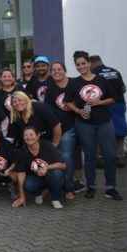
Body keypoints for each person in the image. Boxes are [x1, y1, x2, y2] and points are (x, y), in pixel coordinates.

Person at [65, 50, 122, 200]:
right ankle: (91, 186)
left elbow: (113, 98)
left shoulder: (102, 80)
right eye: (78, 64)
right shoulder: (74, 82)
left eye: (83, 63)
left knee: (110, 155)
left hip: (104, 122)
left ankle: (111, 188)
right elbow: (68, 102)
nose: (81, 66)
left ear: (89, 63)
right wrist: (78, 111)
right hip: (84, 124)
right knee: (90, 156)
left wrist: (99, 102)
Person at [46, 62, 85, 195]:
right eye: (54, 70)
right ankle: (67, 184)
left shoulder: (74, 83)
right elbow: (48, 110)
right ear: (51, 73)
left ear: (65, 70)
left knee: (68, 155)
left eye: (59, 69)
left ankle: (69, 186)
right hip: (58, 127)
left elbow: (86, 101)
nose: (57, 72)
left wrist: (86, 113)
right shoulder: (50, 89)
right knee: (65, 155)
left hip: (74, 125)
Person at [12, 127, 67, 208]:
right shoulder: (22, 152)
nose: (29, 137)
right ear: (23, 138)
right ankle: (40, 192)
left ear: (38, 136)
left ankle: (55, 199)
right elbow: (21, 174)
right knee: (28, 184)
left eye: (31, 134)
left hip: (50, 174)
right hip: (36, 178)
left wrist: (46, 168)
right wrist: (22, 197)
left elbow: (63, 165)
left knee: (57, 174)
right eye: (26, 135)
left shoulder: (47, 145)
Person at [90, 55, 127, 168]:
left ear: (92, 63)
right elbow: (123, 89)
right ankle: (120, 157)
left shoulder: (94, 73)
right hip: (119, 103)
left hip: (102, 105)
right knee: (119, 130)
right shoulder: (115, 71)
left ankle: (100, 158)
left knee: (99, 130)